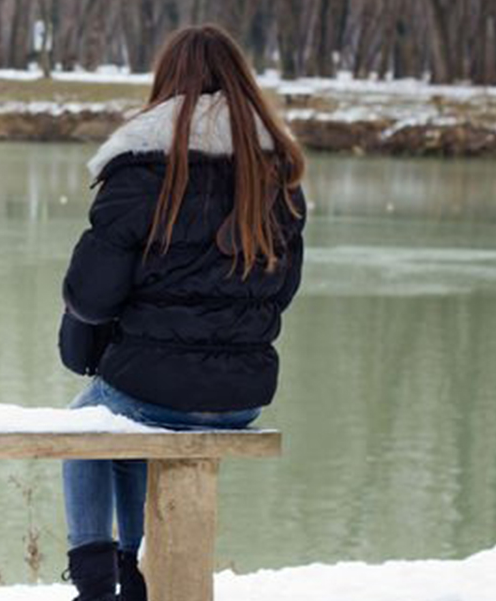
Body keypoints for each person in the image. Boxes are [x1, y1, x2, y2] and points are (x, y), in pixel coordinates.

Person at [58, 24, 307, 601]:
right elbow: (284, 290)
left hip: (149, 390)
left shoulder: (142, 165)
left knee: (86, 422)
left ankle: (97, 584)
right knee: (119, 416)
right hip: (243, 397)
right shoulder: (277, 175)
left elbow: (90, 298)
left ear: (167, 85)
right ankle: (133, 568)